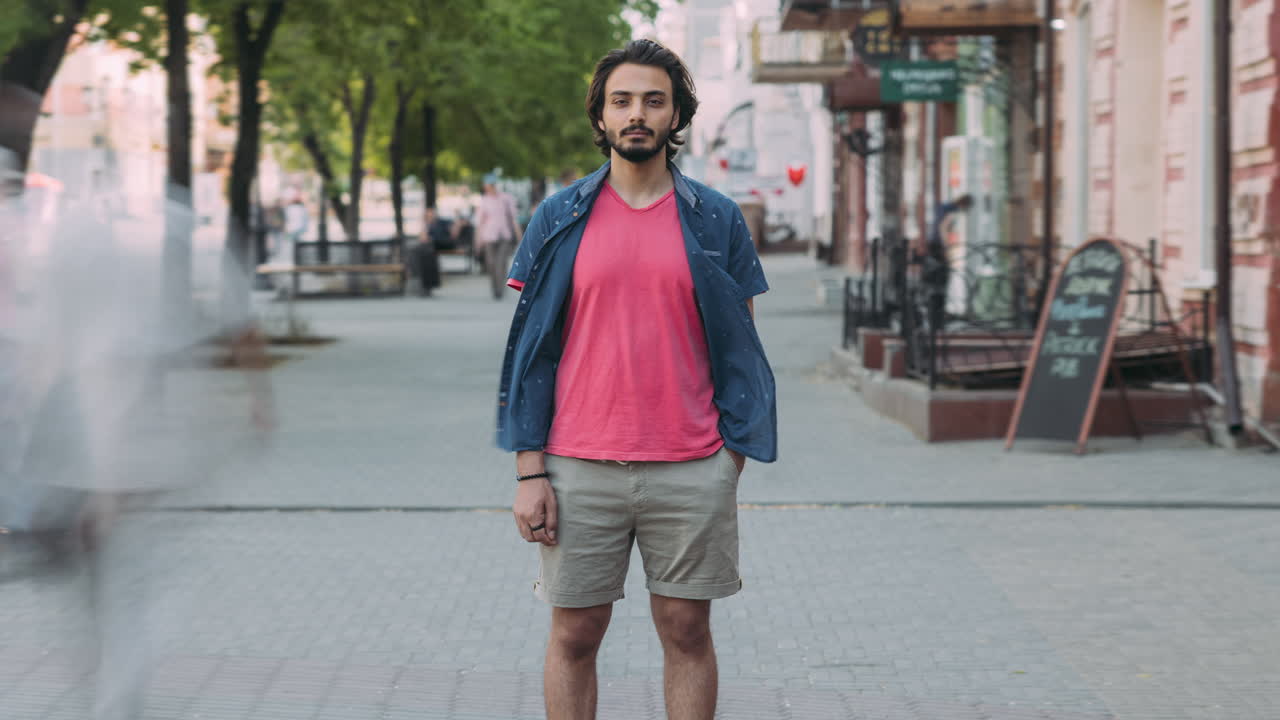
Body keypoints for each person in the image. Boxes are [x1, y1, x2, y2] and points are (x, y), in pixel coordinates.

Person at [496, 39, 776, 720]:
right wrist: (529, 471)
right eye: (621, 101)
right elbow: (532, 353)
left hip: (690, 464)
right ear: (600, 117)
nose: (637, 114)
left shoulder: (715, 219)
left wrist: (729, 457)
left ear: (676, 112)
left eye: (654, 99)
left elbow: (740, 344)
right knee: (575, 634)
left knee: (686, 631)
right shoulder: (558, 219)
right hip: (576, 464)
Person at [473, 174, 521, 299]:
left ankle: (499, 290)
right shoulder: (484, 201)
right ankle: (494, 287)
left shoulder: (506, 199)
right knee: (491, 264)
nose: (486, 188)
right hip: (489, 236)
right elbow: (480, 222)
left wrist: (520, 236)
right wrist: (478, 240)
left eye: (488, 185)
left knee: (500, 263)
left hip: (504, 235)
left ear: (493, 185)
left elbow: (514, 219)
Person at [409, 207, 448, 296]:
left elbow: (441, 237)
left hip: (439, 245)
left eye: (431, 214)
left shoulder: (441, 223)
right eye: (428, 215)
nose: (430, 216)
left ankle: (417, 276)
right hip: (428, 248)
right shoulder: (427, 225)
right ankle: (417, 276)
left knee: (419, 252)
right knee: (418, 253)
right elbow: (422, 238)